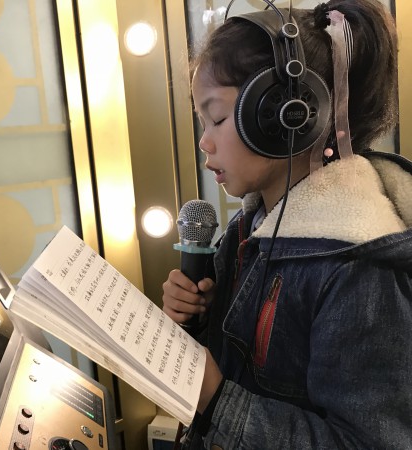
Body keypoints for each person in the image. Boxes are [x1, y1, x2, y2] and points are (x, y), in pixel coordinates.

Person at [162, 0, 412, 448]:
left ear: (285, 113)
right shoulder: (246, 232)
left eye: (216, 118)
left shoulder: (356, 271)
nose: (204, 142)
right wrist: (201, 322)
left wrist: (217, 401)